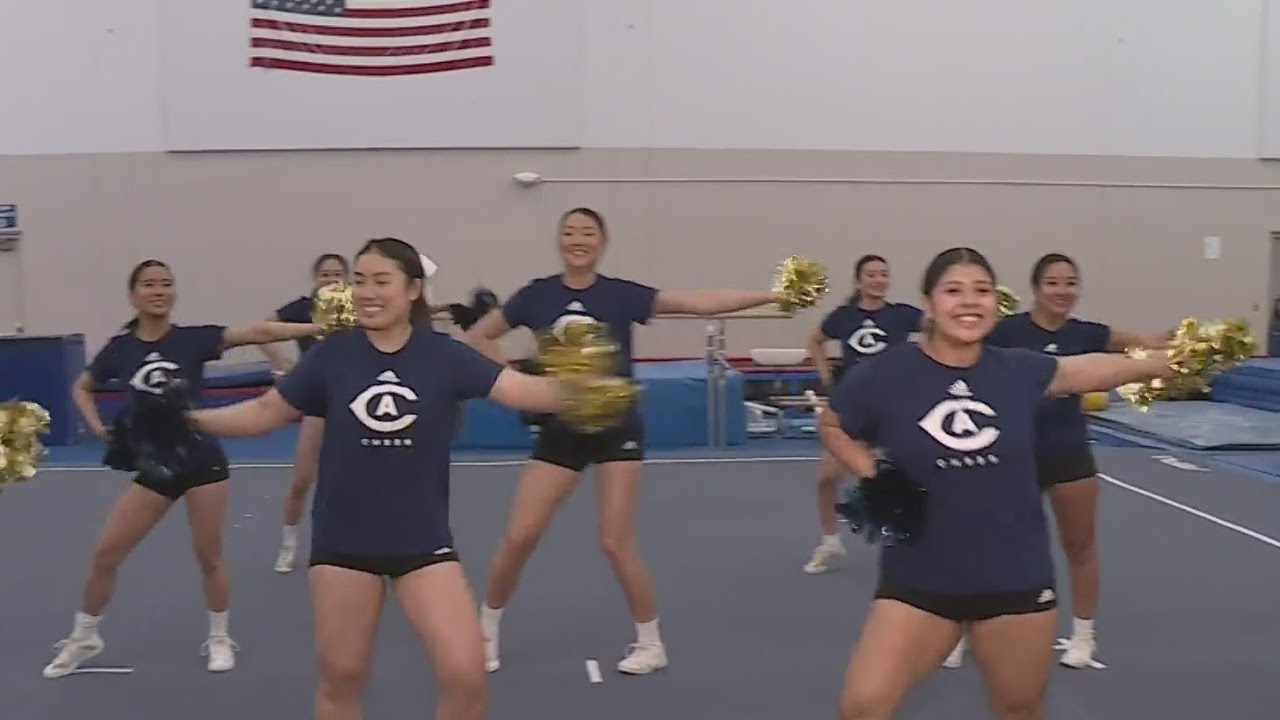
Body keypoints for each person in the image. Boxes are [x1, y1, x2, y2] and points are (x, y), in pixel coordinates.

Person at [182, 237, 596, 720]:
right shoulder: (333, 356)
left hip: (422, 543)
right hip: (344, 544)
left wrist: (587, 388)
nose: (367, 292)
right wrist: (189, 420)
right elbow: (263, 413)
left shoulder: (444, 355)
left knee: (466, 676)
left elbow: (520, 390)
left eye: (382, 281)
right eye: (360, 281)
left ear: (413, 290)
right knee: (342, 680)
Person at [818, 247, 1172, 720]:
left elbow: (1088, 368)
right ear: (929, 304)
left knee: (1019, 708)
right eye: (954, 290)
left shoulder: (1019, 369)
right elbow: (832, 424)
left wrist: (1163, 361)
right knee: (862, 706)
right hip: (920, 580)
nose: (970, 301)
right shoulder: (887, 373)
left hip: (1014, 580)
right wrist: (872, 473)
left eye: (982, 290)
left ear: (995, 302)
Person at [462, 207, 795, 675]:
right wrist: (524, 386)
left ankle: (650, 643)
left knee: (615, 542)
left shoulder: (620, 295)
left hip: (616, 427)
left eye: (588, 232)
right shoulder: (536, 295)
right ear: (559, 241)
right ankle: (485, 631)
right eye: (569, 232)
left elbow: (697, 302)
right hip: (562, 429)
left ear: (603, 242)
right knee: (520, 535)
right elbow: (479, 336)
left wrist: (772, 295)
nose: (578, 239)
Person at [43, 259, 328, 679]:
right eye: (149, 284)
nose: (158, 291)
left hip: (200, 461)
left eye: (166, 284)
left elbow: (259, 332)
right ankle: (85, 636)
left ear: (174, 292)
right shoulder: (120, 349)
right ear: (133, 295)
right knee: (106, 554)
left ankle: (219, 637)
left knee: (209, 557)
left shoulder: (194, 339)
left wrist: (319, 327)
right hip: (156, 469)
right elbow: (82, 387)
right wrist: (99, 427)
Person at [940, 252, 1169, 670]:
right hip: (1010, 455)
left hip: (1068, 453)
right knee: (986, 543)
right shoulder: (1006, 331)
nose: (1062, 291)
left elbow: (1147, 342)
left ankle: (1083, 635)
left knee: (1080, 545)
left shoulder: (1088, 333)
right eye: (1053, 283)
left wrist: (1192, 343)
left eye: (1070, 283)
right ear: (1035, 288)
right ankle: (965, 627)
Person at [802, 254, 921, 575]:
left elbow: (940, 330)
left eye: (884, 274)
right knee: (827, 478)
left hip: (896, 408)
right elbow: (815, 340)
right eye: (871, 274)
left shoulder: (902, 315)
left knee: (912, 477)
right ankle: (830, 542)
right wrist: (826, 376)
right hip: (854, 406)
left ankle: (918, 543)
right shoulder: (843, 317)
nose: (879, 280)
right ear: (858, 281)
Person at [260, 252, 350, 574]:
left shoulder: (355, 306)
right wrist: (281, 361)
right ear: (315, 278)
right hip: (318, 400)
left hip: (353, 400)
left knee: (357, 479)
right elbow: (266, 328)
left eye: (337, 274)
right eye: (325, 274)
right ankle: (289, 544)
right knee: (301, 479)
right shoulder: (303, 307)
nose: (331, 280)